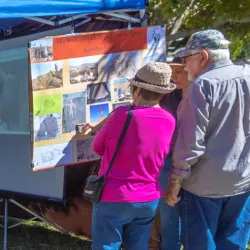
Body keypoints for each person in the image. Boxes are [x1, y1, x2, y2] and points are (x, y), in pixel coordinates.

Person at [165, 29, 250, 250]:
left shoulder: (202, 85)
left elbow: (190, 144)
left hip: (203, 186)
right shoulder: (248, 74)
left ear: (203, 56)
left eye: (186, 58)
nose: (184, 65)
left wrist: (175, 181)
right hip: (242, 181)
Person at [85, 62, 176, 250]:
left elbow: (97, 147)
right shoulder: (169, 120)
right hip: (148, 199)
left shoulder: (122, 115)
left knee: (106, 246)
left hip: (114, 195)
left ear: (137, 90)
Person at [158, 56, 190, 250]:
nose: (175, 75)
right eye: (173, 71)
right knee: (169, 213)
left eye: (179, 70)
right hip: (168, 162)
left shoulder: (201, 94)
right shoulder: (166, 95)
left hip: (194, 164)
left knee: (190, 216)